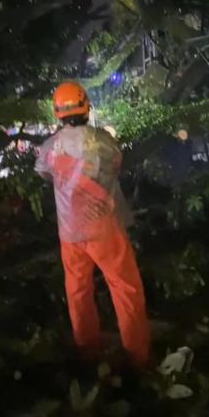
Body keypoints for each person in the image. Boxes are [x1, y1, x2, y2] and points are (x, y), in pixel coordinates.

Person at [34, 82, 150, 368]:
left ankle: (87, 353)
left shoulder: (50, 147)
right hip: (103, 229)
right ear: (87, 107)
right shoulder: (104, 141)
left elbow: (44, 174)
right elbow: (117, 164)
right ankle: (137, 356)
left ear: (57, 113)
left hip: (70, 232)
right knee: (125, 288)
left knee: (77, 291)